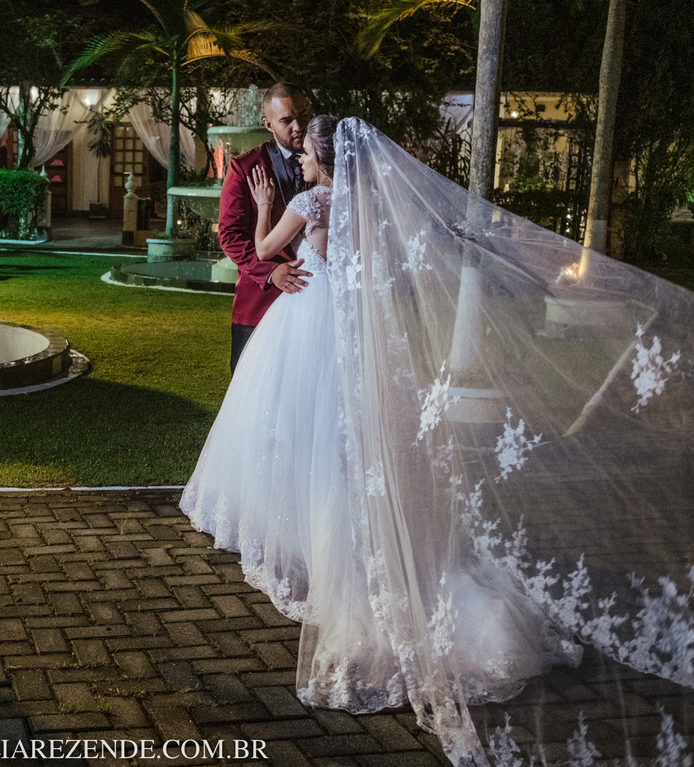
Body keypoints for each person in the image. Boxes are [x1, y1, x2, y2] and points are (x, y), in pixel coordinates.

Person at [176, 115, 662, 764]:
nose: (301, 158)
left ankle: (324, 551)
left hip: (307, 326)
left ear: (322, 159)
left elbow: (264, 251)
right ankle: (362, 546)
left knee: (305, 436)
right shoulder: (367, 206)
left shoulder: (311, 201)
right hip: (357, 335)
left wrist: (265, 207)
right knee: (352, 444)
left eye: (308, 151)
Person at [218, 83, 317, 373]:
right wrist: (271, 272)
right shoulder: (244, 168)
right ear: (268, 124)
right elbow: (230, 237)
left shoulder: (328, 165)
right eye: (287, 120)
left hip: (315, 305)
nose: (298, 126)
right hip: (259, 306)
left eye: (303, 115)